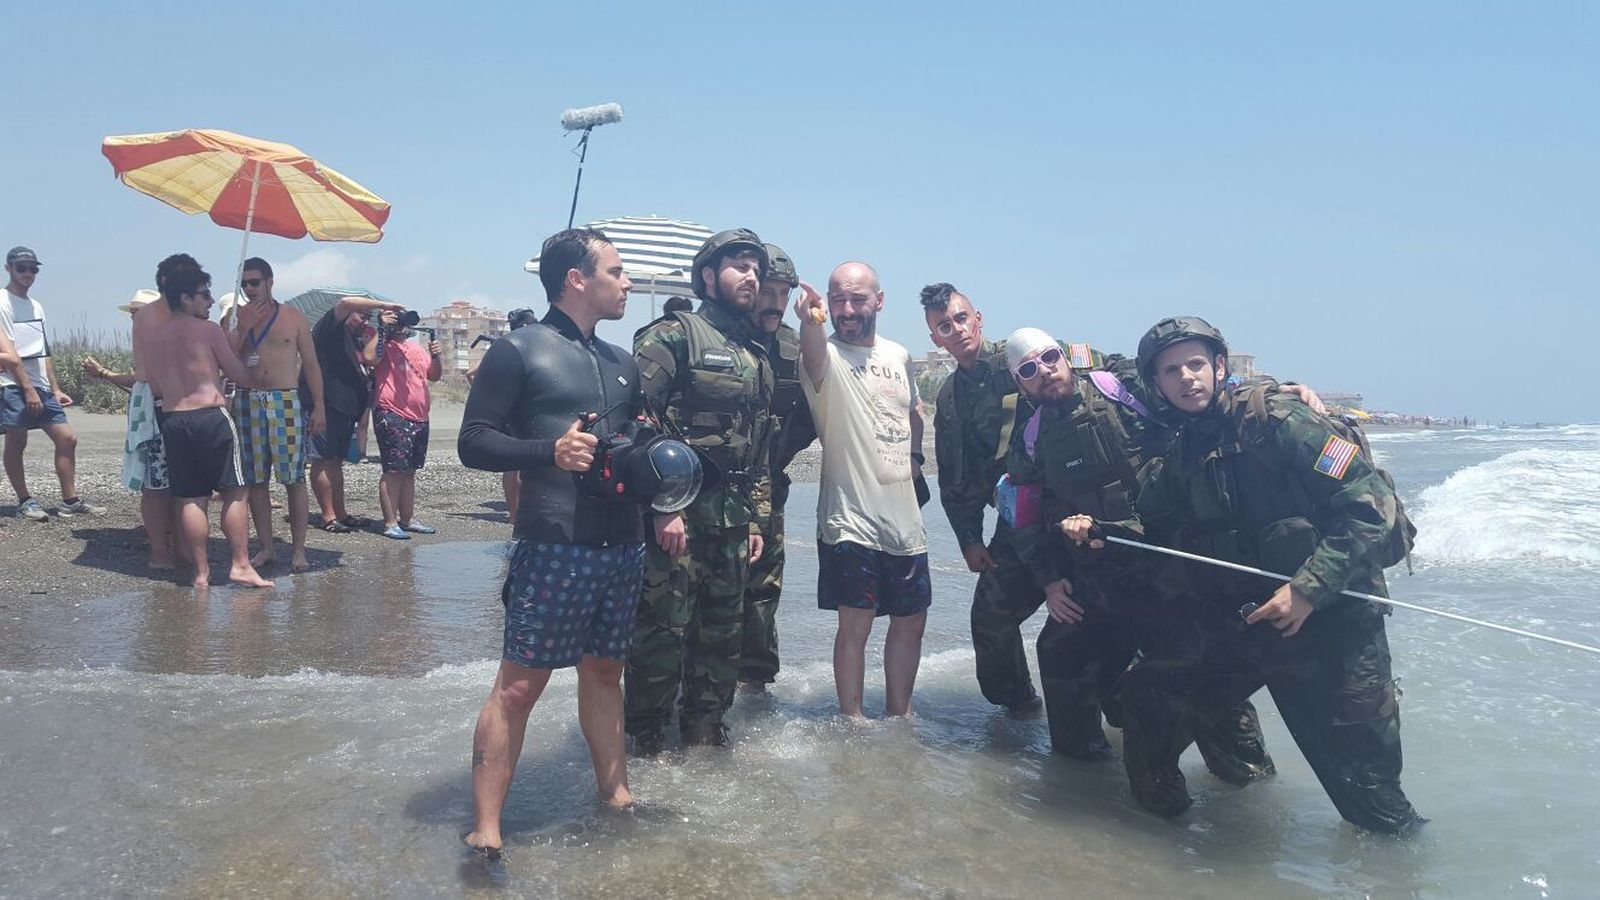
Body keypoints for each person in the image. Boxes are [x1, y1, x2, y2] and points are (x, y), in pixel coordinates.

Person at [1106, 315, 1422, 833]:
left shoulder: (1280, 419)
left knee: (1372, 802)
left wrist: (1306, 590)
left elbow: (1371, 507)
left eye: (1196, 364)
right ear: (1158, 386)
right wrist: (1097, 528)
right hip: (1250, 625)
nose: (1186, 377)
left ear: (1219, 366)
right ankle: (1164, 847)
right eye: (1171, 371)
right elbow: (1151, 522)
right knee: (1148, 697)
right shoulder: (1183, 449)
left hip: (1334, 625)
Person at [1001, 328, 1275, 783]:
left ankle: (1245, 780)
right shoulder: (1029, 438)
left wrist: (1280, 392)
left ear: (1066, 356)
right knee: (1060, 652)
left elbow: (1203, 393)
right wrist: (1049, 581)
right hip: (1101, 576)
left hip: (1172, 568)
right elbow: (1023, 516)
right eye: (1028, 370)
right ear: (1020, 383)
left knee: (1202, 675)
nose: (1044, 371)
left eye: (1049, 358)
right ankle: (1082, 777)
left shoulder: (1123, 388)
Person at [456, 227, 645, 857]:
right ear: (576, 279)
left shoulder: (623, 363)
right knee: (519, 685)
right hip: (553, 541)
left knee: (604, 670)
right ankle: (486, 831)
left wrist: (665, 496)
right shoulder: (519, 350)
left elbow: (636, 446)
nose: (627, 283)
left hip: (623, 541)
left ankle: (615, 799)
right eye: (616, 272)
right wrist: (549, 450)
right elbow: (473, 441)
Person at [923, 283, 1103, 716]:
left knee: (1101, 619)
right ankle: (1019, 712)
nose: (957, 330)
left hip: (1082, 513)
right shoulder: (950, 396)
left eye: (961, 318)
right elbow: (955, 474)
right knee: (990, 616)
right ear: (936, 339)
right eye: (944, 326)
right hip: (1019, 525)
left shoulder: (1024, 356)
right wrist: (969, 538)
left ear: (978, 318)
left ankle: (1112, 712)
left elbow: (1104, 365)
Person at [627, 228, 774, 752]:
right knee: (661, 636)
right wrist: (664, 508)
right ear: (708, 276)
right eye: (739, 265)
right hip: (678, 519)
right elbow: (635, 425)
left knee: (722, 637)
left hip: (734, 522)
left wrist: (756, 520)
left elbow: (757, 448)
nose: (751, 276)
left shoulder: (753, 352)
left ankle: (705, 737)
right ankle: (642, 742)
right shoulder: (671, 335)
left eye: (756, 267)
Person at [793, 262, 931, 719]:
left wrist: (914, 461)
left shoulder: (900, 355)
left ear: (879, 300)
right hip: (848, 520)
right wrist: (811, 319)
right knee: (856, 626)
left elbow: (913, 412)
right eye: (837, 300)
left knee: (911, 623)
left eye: (856, 299)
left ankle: (900, 718)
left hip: (905, 519)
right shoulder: (824, 355)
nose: (846, 309)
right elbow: (812, 352)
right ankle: (852, 722)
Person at [142, 261, 272, 589]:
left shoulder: (156, 336)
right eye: (204, 295)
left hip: (173, 420)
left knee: (190, 497)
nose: (210, 301)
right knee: (236, 491)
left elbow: (154, 386)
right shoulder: (209, 330)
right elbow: (240, 375)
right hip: (211, 416)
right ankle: (240, 564)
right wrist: (255, 362)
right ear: (185, 298)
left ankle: (201, 573)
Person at [738, 243, 816, 691]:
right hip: (713, 491)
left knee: (764, 589)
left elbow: (816, 415)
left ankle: (755, 686)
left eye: (782, 292)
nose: (773, 301)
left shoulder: (796, 348)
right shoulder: (721, 339)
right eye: (766, 290)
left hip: (772, 489)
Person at [226, 258, 326, 570]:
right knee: (256, 479)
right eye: (244, 284)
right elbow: (225, 358)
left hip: (285, 399)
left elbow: (310, 364)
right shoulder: (233, 318)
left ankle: (298, 550)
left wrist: (319, 408)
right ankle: (267, 546)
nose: (249, 289)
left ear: (270, 281)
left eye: (254, 282)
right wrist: (242, 325)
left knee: (293, 478)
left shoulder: (294, 318)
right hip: (247, 399)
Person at [82, 283, 180, 568]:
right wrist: (106, 374)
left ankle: (163, 547)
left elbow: (145, 379)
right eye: (134, 313)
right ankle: (166, 544)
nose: (134, 317)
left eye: (138, 312)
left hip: (160, 414)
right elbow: (144, 379)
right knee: (162, 483)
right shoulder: (160, 334)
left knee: (158, 484)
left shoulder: (157, 337)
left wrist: (104, 373)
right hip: (162, 413)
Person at [1, 246, 102, 521]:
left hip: (40, 386)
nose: (28, 274)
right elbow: (10, 354)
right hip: (12, 384)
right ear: (9, 268)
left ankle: (70, 500)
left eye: (33, 268)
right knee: (16, 440)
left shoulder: (36, 306)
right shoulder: (2, 302)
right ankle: (25, 499)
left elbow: (42, 350)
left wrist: (53, 388)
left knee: (67, 439)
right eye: (21, 268)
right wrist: (28, 389)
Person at [304, 294, 401, 532]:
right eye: (362, 316)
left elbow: (372, 358)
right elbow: (345, 303)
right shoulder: (330, 327)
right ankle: (328, 516)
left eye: (369, 318)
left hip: (344, 409)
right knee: (322, 459)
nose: (365, 321)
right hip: (325, 405)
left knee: (336, 461)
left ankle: (340, 513)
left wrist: (382, 327)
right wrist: (383, 305)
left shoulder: (356, 337)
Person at [366, 314, 443, 539]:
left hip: (419, 417)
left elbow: (434, 376)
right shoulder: (382, 344)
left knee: (409, 471)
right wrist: (382, 327)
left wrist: (437, 357)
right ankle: (390, 522)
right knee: (393, 470)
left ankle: (407, 519)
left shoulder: (416, 348)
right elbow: (370, 359)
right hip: (392, 412)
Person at [467, 308, 539, 523]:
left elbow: (471, 374)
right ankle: (519, 514)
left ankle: (515, 515)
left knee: (513, 465)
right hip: (521, 412)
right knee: (521, 464)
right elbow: (471, 374)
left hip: (509, 412)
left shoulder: (506, 346)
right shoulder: (526, 346)